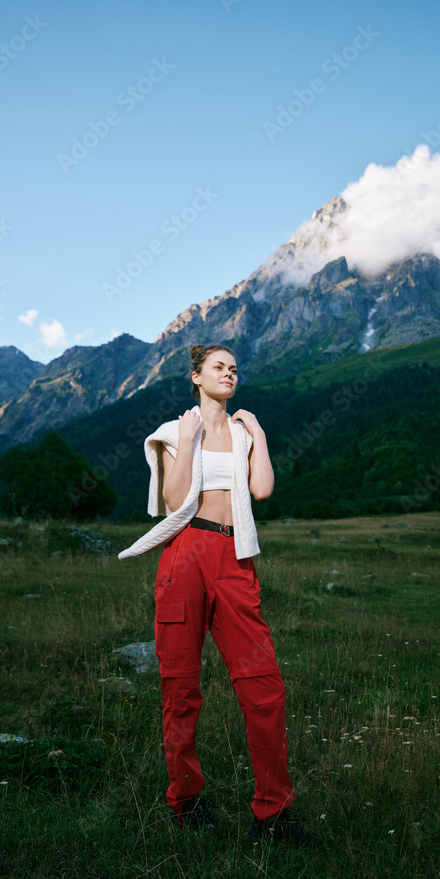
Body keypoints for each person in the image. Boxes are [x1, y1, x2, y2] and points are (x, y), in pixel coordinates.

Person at [117, 343, 323, 848]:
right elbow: (172, 500)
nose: (229, 373)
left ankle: (273, 816)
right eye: (218, 367)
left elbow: (263, 491)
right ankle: (187, 802)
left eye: (234, 368)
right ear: (196, 376)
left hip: (236, 559)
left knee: (263, 684)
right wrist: (187, 441)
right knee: (181, 688)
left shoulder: (243, 433)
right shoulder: (173, 432)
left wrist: (261, 438)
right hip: (186, 553)